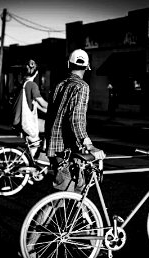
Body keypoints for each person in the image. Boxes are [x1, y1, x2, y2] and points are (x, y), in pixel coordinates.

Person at [45, 48, 106, 192]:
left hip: (56, 149)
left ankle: (83, 214)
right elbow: (76, 119)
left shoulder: (59, 85)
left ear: (69, 64)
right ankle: (39, 216)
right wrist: (89, 145)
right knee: (60, 200)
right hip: (67, 151)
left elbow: (50, 115)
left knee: (79, 191)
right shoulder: (82, 87)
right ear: (87, 67)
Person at [12, 59, 48, 158]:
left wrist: (50, 112)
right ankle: (41, 157)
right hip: (26, 122)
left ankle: (35, 157)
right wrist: (58, 108)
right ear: (36, 73)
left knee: (45, 126)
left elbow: (38, 106)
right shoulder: (32, 85)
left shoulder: (22, 84)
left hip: (19, 120)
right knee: (51, 126)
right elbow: (43, 103)